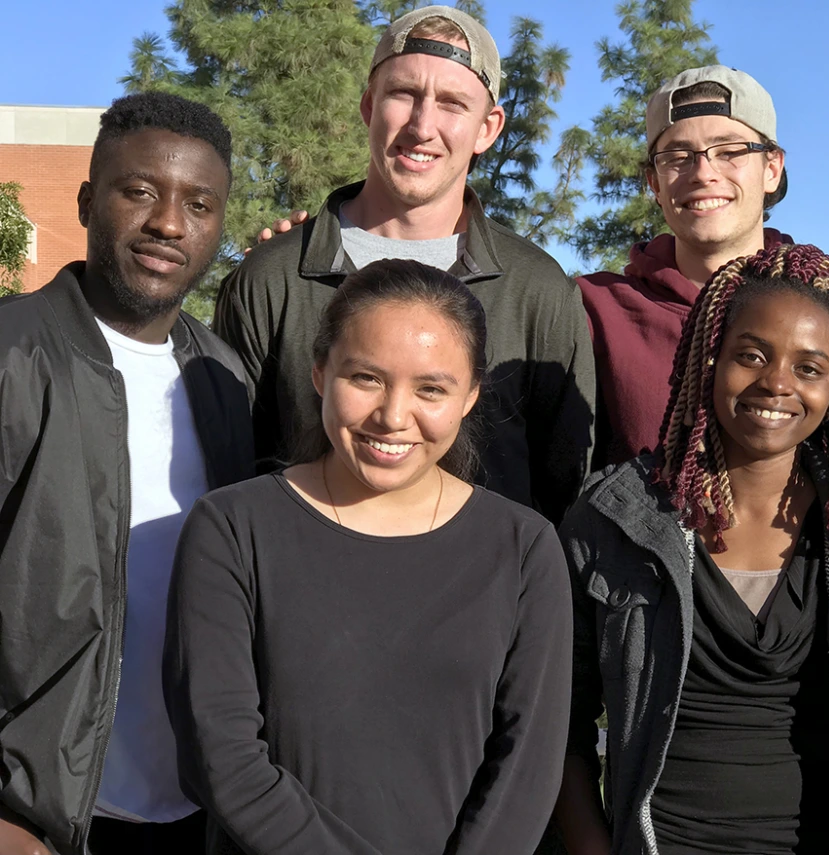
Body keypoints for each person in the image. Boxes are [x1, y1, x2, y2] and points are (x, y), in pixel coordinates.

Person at [557, 243, 829, 855]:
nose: (777, 382)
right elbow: (557, 724)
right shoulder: (617, 519)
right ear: (709, 357)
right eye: (751, 355)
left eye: (810, 368)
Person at [165, 258, 573, 855]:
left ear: (470, 398)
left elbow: (528, 769)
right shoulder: (233, 528)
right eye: (366, 378)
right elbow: (219, 754)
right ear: (319, 370)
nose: (393, 416)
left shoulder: (523, 548)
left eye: (431, 388)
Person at [216, 5, 593, 524]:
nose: (422, 125)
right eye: (404, 94)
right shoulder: (272, 278)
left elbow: (567, 495)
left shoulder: (539, 293)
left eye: (452, 103)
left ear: (488, 128)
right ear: (370, 105)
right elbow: (227, 479)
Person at [0, 93, 253, 855]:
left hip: (191, 814)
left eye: (198, 203)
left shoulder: (224, 379)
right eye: (139, 191)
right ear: (86, 200)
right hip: (39, 820)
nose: (168, 223)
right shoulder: (12, 354)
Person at [577, 66, 829, 467]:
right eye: (678, 157)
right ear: (655, 183)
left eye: (730, 151)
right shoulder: (592, 309)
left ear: (772, 168)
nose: (703, 173)